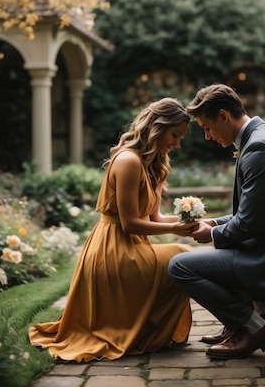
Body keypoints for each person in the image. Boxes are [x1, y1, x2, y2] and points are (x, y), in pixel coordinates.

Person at [29, 98, 197, 362]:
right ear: (157, 127)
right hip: (113, 250)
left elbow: (154, 216)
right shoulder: (128, 161)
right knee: (185, 258)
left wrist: (187, 221)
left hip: (132, 247)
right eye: (175, 135)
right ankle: (145, 330)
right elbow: (130, 224)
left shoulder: (154, 164)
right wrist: (179, 229)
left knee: (187, 259)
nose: (177, 144)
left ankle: (145, 329)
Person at [168, 84, 265, 360]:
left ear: (224, 116)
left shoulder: (259, 148)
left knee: (180, 267)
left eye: (207, 127)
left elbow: (248, 224)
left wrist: (213, 235)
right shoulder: (260, 138)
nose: (207, 136)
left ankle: (253, 328)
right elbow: (256, 213)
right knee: (223, 250)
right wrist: (215, 223)